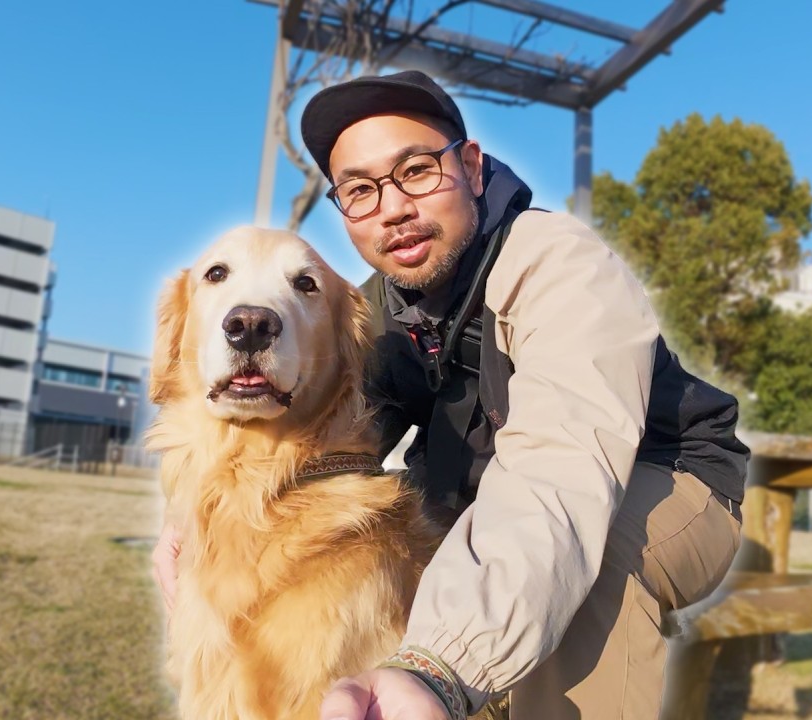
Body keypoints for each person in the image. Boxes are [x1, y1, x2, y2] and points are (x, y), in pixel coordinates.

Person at [154, 70, 749, 720]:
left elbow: (563, 474)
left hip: (661, 481)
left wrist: (440, 665)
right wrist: (192, 525)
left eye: (415, 171)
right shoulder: (376, 307)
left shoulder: (560, 266)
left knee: (590, 561)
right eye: (359, 190)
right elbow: (328, 437)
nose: (392, 208)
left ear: (469, 165)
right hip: (483, 497)